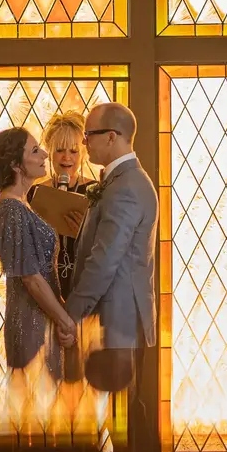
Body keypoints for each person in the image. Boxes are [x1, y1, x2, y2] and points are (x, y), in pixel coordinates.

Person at [65, 103, 158, 364]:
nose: (84, 143)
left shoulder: (126, 186)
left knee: (119, 403)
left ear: (111, 136)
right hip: (116, 320)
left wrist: (69, 314)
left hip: (118, 321)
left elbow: (104, 261)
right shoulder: (122, 180)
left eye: (88, 135)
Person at [0, 126, 77, 370]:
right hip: (30, 319)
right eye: (35, 150)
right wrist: (65, 320)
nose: (45, 155)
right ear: (16, 164)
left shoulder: (23, 204)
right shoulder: (10, 209)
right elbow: (30, 277)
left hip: (43, 315)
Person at [28, 110, 92, 300]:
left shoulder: (95, 191)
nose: (67, 158)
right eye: (60, 150)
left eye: (73, 151)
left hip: (84, 285)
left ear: (83, 154)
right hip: (44, 285)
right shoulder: (35, 191)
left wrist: (86, 232)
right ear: (49, 151)